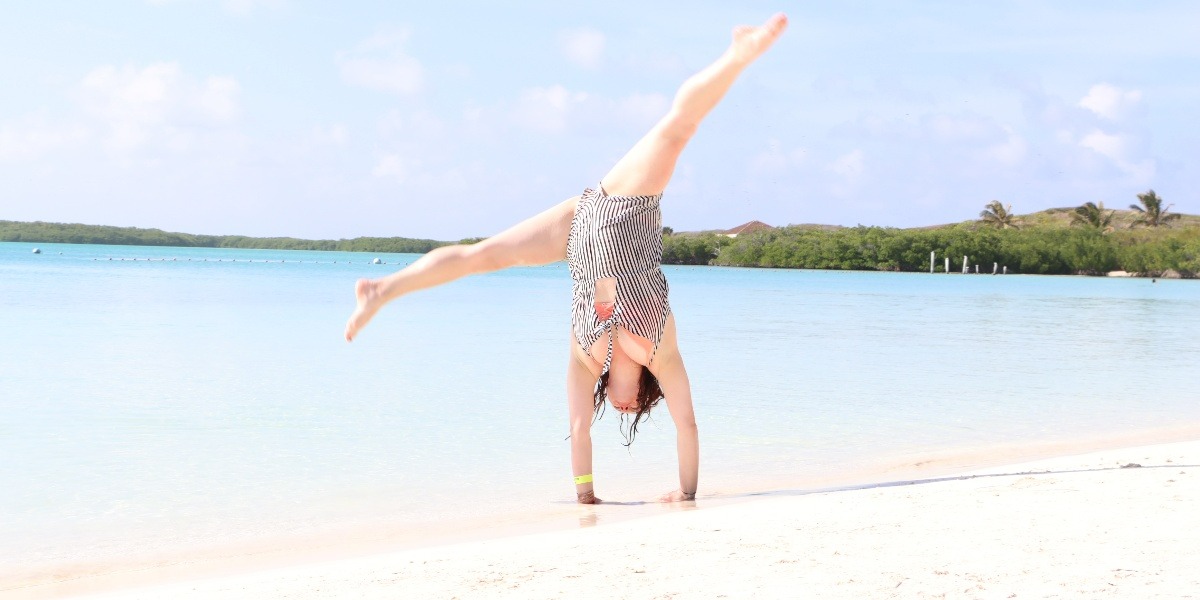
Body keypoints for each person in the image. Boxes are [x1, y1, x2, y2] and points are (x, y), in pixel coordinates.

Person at [344, 13, 788, 504]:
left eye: (618, 412)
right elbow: (688, 424)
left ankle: (384, 290)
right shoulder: (662, 351)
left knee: (485, 257)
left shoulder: (584, 362)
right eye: (633, 410)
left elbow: (579, 432)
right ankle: (738, 55)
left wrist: (586, 499)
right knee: (675, 130)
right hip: (623, 206)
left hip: (578, 231)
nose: (622, 411)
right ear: (644, 393)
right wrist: (687, 494)